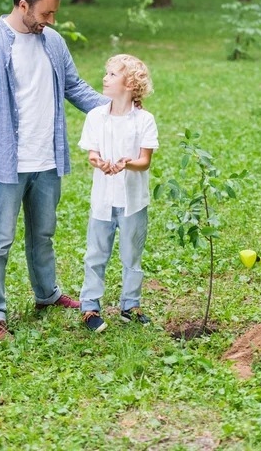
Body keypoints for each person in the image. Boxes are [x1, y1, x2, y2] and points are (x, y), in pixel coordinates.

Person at [0, 0, 109, 341]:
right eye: (45, 14)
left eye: (54, 14)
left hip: (48, 159)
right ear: (23, 5)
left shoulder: (52, 41)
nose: (50, 21)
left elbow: (75, 87)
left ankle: (46, 294)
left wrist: (117, 110)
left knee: (43, 233)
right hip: (7, 164)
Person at [78, 54, 158, 333]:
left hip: (133, 202)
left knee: (131, 254)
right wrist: (99, 162)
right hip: (102, 200)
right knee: (96, 253)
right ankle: (89, 307)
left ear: (130, 84)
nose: (105, 78)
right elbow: (92, 153)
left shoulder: (144, 120)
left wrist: (126, 163)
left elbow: (145, 160)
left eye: (112, 74)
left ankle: (130, 305)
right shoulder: (95, 117)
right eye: (106, 72)